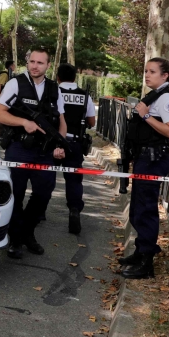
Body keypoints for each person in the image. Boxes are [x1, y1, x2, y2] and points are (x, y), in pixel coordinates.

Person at [0, 48, 67, 259]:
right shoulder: (15, 83)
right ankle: (16, 238)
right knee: (15, 194)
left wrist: (60, 144)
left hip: (45, 151)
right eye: (32, 61)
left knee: (44, 193)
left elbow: (61, 121)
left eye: (40, 63)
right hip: (19, 147)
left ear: (48, 66)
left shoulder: (54, 89)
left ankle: (27, 231)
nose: (35, 66)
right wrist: (24, 122)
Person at [118, 57, 169, 280]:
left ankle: (146, 262)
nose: (147, 75)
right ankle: (139, 252)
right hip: (144, 159)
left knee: (145, 210)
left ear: (165, 76)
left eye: (152, 71)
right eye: (145, 70)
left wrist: (145, 115)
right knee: (137, 208)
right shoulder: (154, 96)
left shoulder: (166, 99)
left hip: (154, 160)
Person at [56, 63, 96, 235]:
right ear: (75, 77)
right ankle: (74, 209)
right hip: (75, 143)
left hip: (52, 142)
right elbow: (92, 122)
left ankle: (39, 211)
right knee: (73, 180)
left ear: (58, 77)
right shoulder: (84, 95)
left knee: (43, 175)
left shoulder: (54, 92)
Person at [0, 60, 15, 140]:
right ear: (10, 66)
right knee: (2, 115)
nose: (15, 67)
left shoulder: (8, 74)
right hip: (2, 97)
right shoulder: (5, 74)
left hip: (3, 97)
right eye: (14, 65)